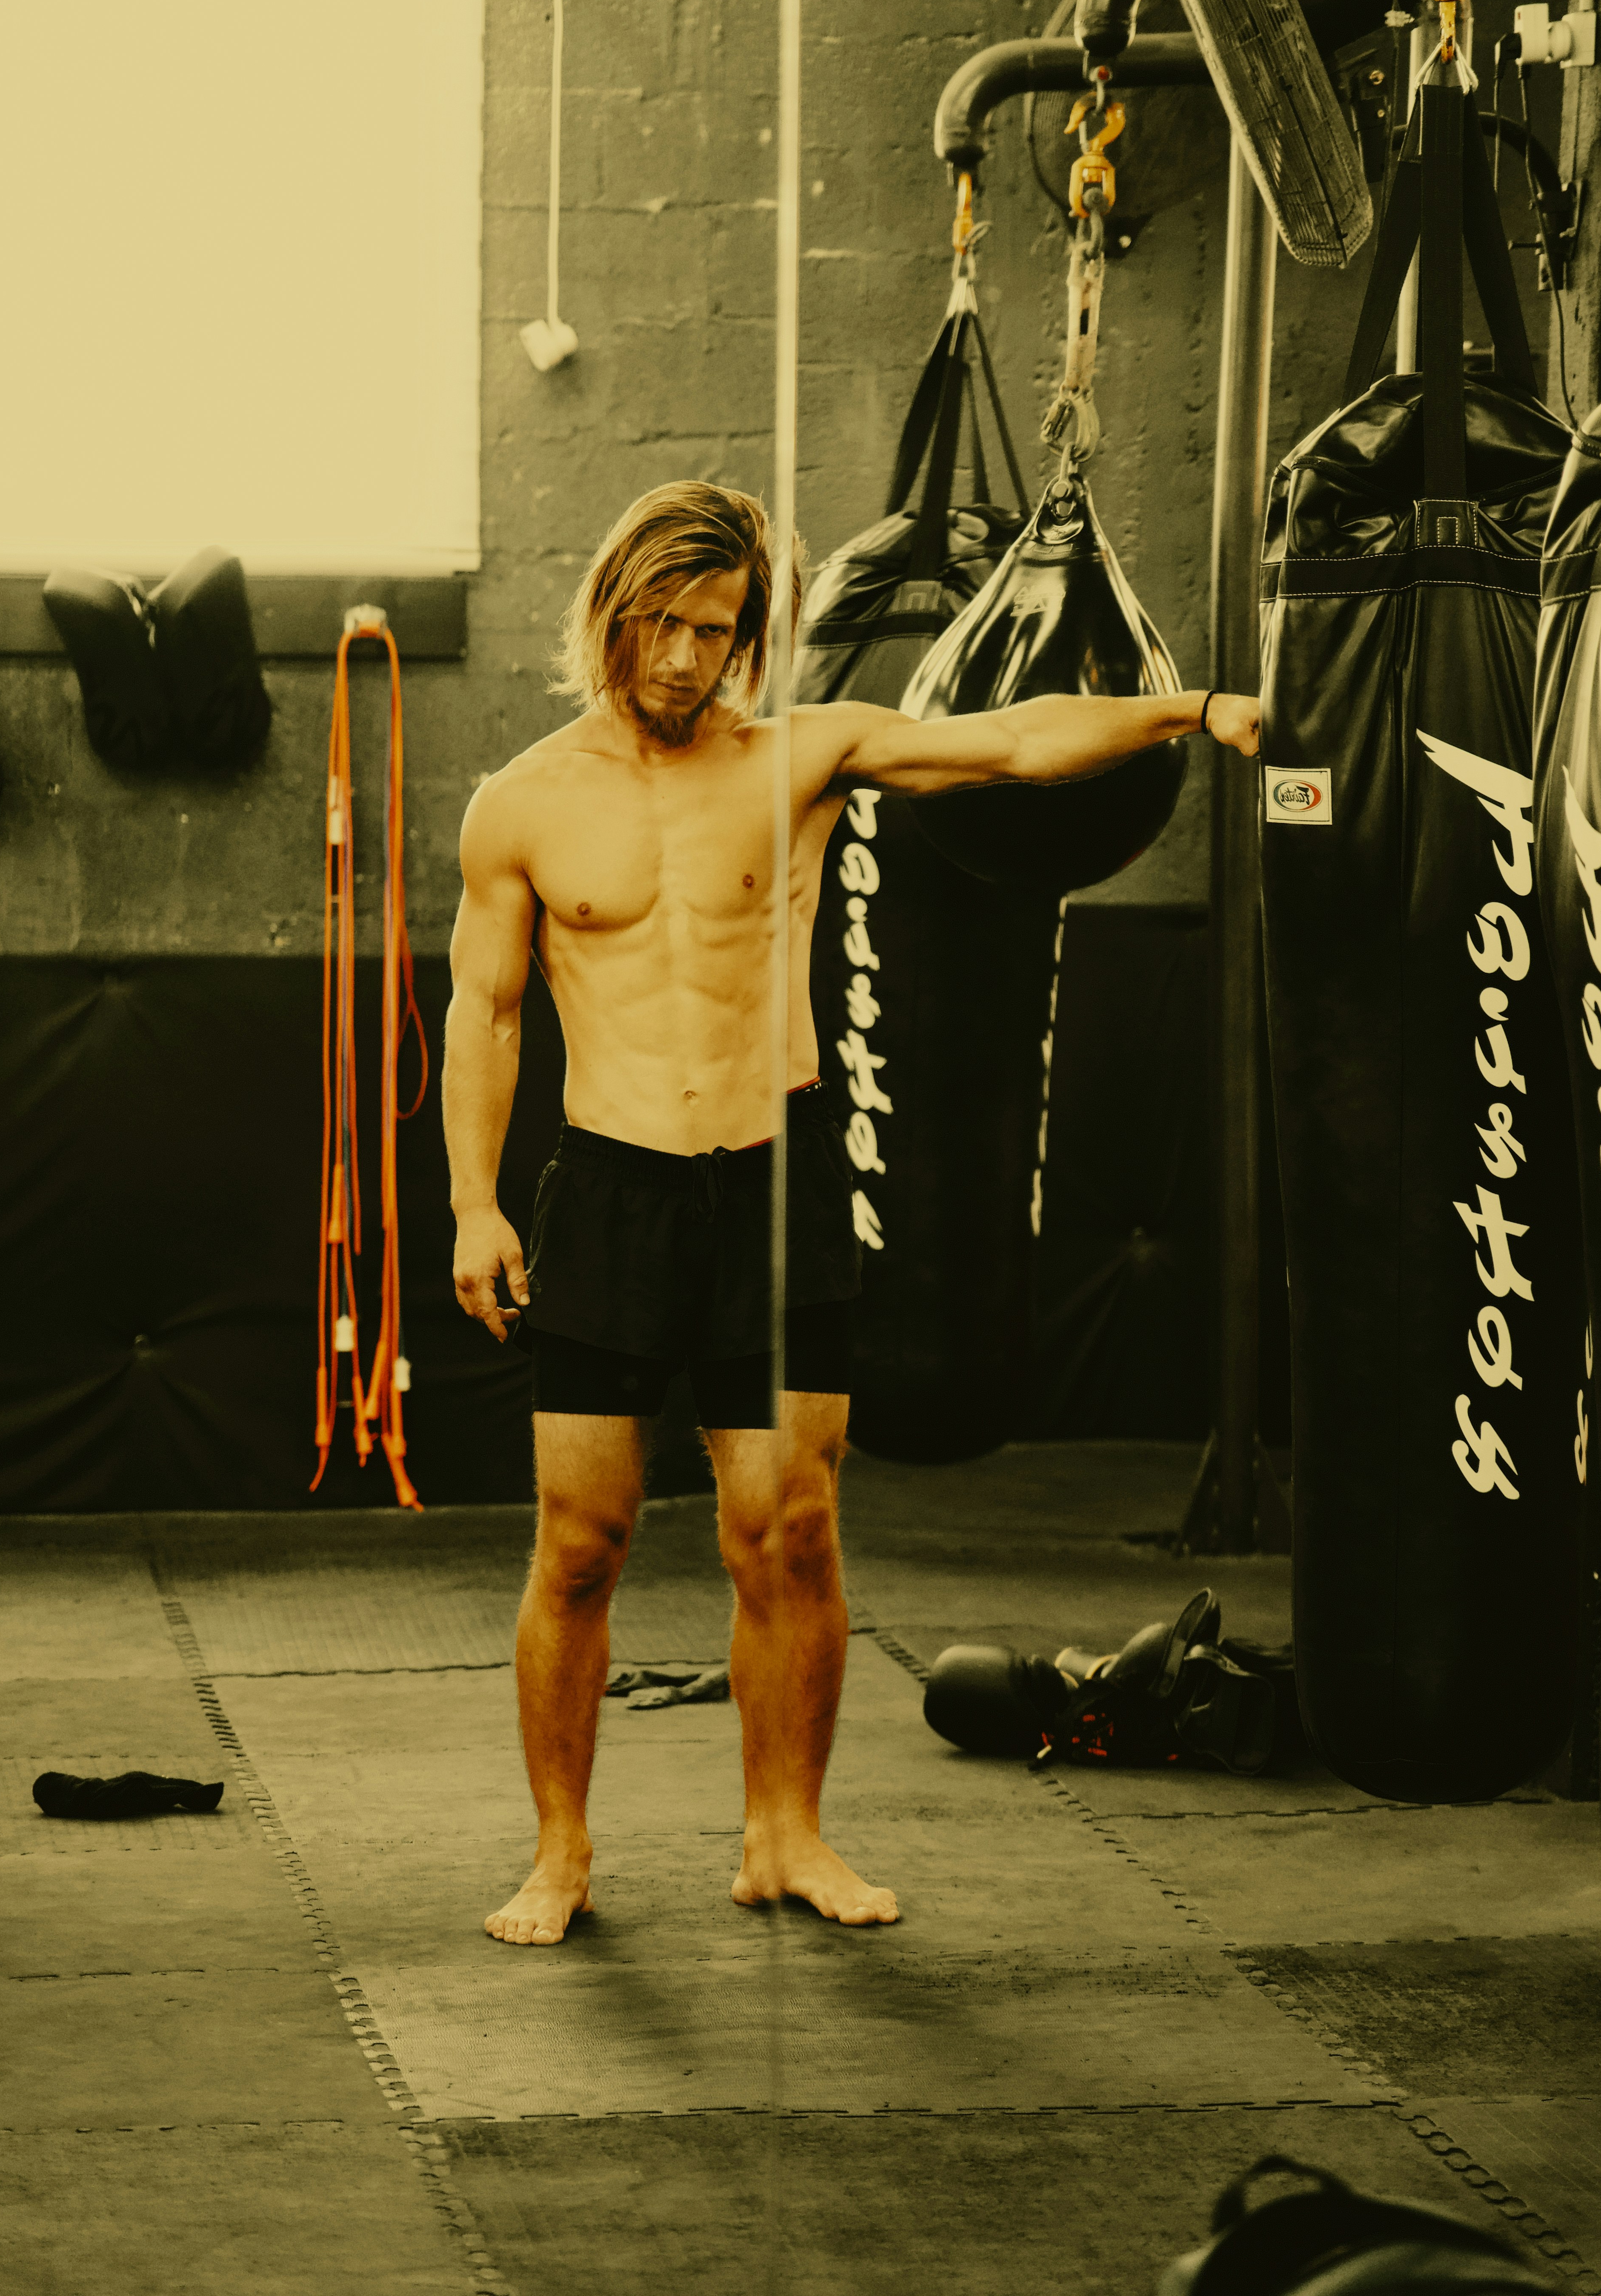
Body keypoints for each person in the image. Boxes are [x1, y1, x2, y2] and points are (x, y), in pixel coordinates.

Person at [444, 480, 1261, 1945]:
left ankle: (787, 1839)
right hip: (615, 1191)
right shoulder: (521, 804)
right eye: (666, 625)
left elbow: (1009, 742)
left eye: (720, 630)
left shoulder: (802, 759)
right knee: (581, 1543)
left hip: (775, 1182)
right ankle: (561, 1855)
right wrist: (471, 1207)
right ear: (610, 614)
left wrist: (1190, 711)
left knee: (793, 1532)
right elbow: (487, 1015)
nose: (691, 657)